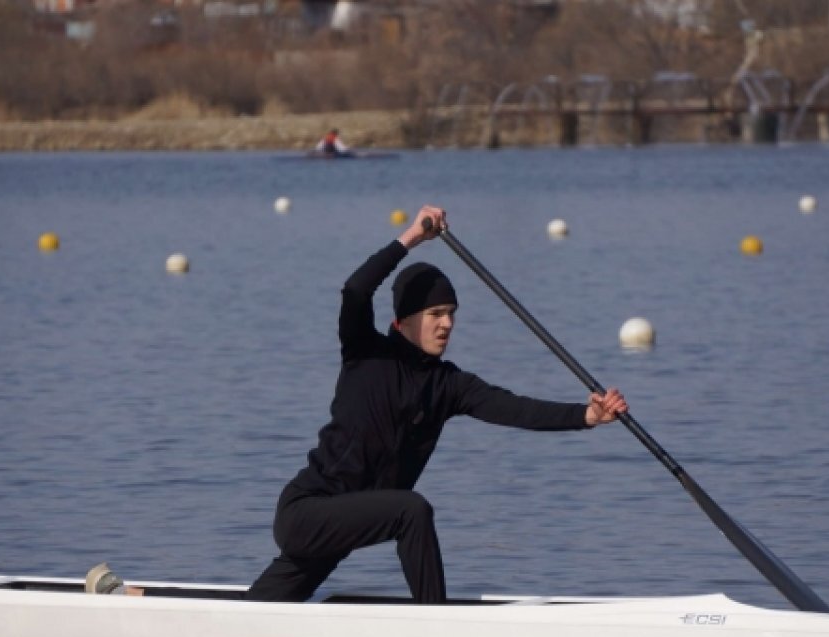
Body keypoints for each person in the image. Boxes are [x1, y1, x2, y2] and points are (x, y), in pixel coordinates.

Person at [244, 205, 628, 604]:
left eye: (451, 315)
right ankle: (435, 620)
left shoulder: (449, 385)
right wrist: (411, 238)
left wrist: (587, 416)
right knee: (411, 511)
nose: (447, 324)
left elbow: (516, 409)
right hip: (308, 511)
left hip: (347, 518)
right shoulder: (365, 352)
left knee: (265, 609)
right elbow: (356, 290)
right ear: (404, 321)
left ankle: (243, 617)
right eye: (435, 314)